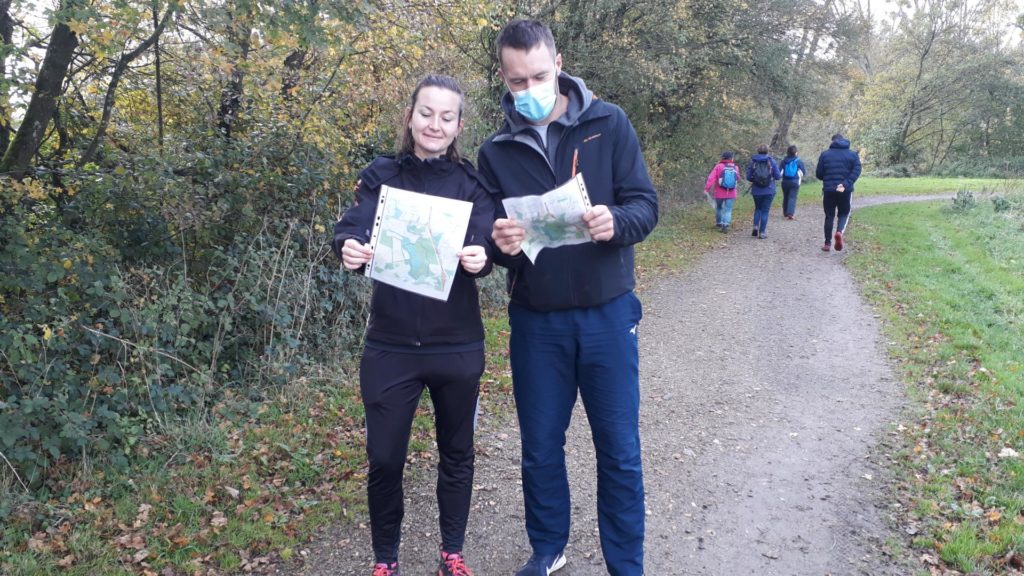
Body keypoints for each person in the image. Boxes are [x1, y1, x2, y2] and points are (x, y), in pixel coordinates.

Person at [476, 19, 658, 576]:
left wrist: (616, 221)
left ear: (559, 62)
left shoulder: (609, 122)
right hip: (537, 323)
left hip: (608, 314)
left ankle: (625, 563)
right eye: (515, 81)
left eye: (537, 75)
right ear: (503, 79)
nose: (528, 90)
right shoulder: (495, 151)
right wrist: (500, 243)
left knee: (619, 451)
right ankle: (548, 547)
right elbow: (494, 244)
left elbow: (645, 205)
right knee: (539, 449)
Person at [332, 74, 494, 576]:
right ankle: (386, 560)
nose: (435, 124)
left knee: (457, 453)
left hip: (457, 343)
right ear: (410, 115)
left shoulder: (472, 182)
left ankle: (452, 552)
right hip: (391, 345)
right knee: (383, 459)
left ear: (459, 125)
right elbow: (350, 229)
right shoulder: (380, 176)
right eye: (427, 113)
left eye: (447, 117)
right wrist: (349, 249)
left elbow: (491, 243)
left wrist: (480, 257)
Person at [815, 133, 862, 252]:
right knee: (844, 213)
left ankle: (827, 243)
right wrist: (846, 183)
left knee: (829, 216)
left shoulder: (825, 154)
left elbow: (819, 174)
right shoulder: (853, 155)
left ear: (833, 141)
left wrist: (828, 178)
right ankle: (839, 232)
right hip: (845, 190)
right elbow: (857, 171)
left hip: (829, 190)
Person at [745, 144, 781, 239]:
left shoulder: (753, 162)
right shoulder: (771, 161)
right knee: (765, 211)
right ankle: (762, 233)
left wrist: (756, 180)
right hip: (769, 190)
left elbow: (748, 177)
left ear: (758, 151)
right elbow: (777, 176)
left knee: (758, 209)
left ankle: (755, 226)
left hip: (756, 190)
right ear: (767, 151)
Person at [704, 151, 740, 233]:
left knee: (719, 208)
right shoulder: (735, 167)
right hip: (731, 192)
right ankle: (725, 225)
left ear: (722, 158)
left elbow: (711, 178)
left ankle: (719, 223)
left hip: (719, 192)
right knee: (728, 209)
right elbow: (737, 178)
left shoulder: (718, 166)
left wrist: (706, 189)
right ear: (732, 158)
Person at [779, 144, 806, 220]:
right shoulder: (799, 161)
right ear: (796, 152)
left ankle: (785, 213)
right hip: (795, 182)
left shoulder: (783, 161)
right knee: (792, 197)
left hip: (785, 182)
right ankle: (790, 213)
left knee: (786, 197)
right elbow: (803, 172)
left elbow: (780, 172)